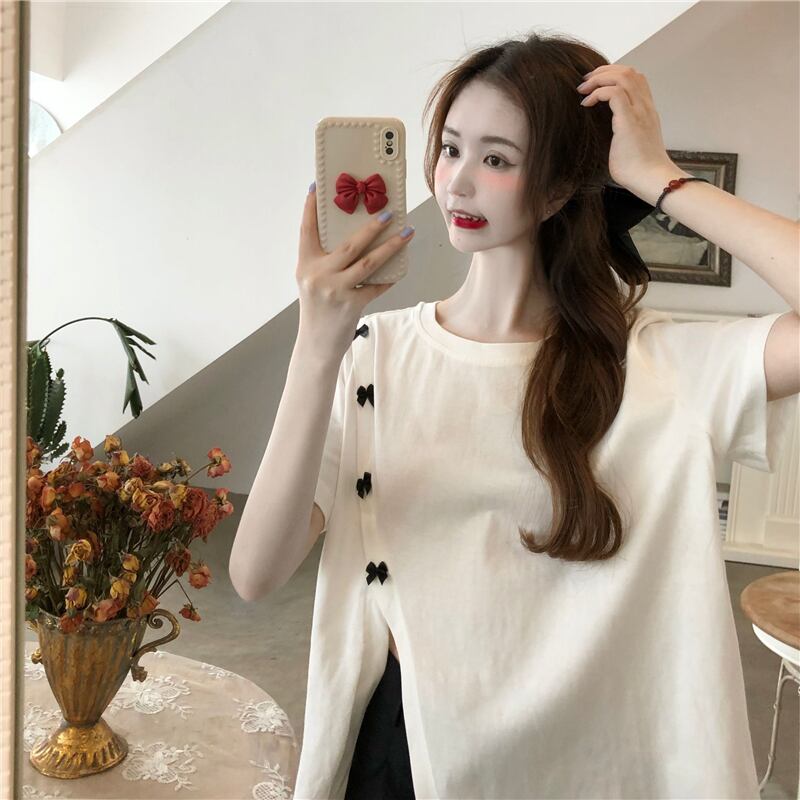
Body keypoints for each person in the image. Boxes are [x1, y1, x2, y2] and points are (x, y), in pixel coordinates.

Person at [229, 31, 800, 800]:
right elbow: (255, 574)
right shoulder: (375, 355)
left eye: (497, 159)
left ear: (561, 187)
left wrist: (658, 178)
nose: (458, 182)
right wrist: (317, 341)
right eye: (451, 149)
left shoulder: (662, 366)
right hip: (410, 755)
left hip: (590, 763)